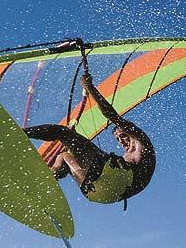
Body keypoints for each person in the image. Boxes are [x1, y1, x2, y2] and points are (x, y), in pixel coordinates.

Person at [23, 74, 155, 207]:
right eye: (118, 139)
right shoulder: (130, 158)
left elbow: (112, 115)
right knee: (65, 156)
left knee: (62, 132)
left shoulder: (142, 142)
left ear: (131, 132)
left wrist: (90, 87)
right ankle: (46, 179)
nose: (121, 141)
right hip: (97, 194)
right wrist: (73, 145)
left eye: (123, 136)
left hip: (114, 180)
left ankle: (22, 133)